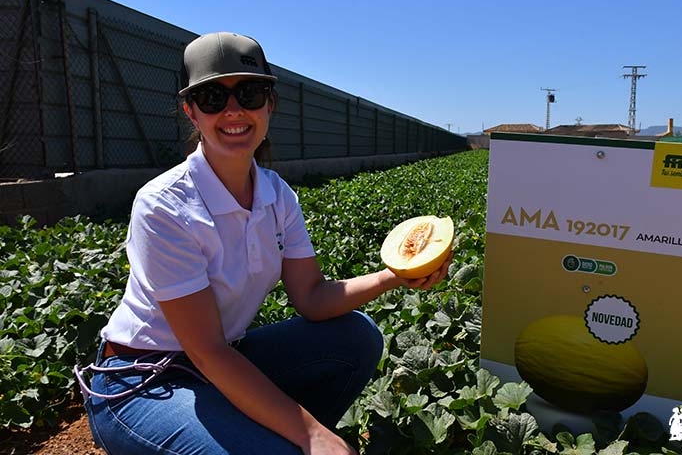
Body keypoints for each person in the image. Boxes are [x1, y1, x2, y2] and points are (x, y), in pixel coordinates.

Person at [76, 32, 452, 455]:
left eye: (250, 93)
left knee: (357, 337)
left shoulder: (277, 195)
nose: (233, 110)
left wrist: (393, 275)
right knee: (292, 445)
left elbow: (311, 297)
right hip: (145, 381)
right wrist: (311, 434)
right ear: (191, 112)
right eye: (213, 97)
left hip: (218, 364)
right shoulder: (165, 206)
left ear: (269, 104)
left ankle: (278, 439)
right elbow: (208, 352)